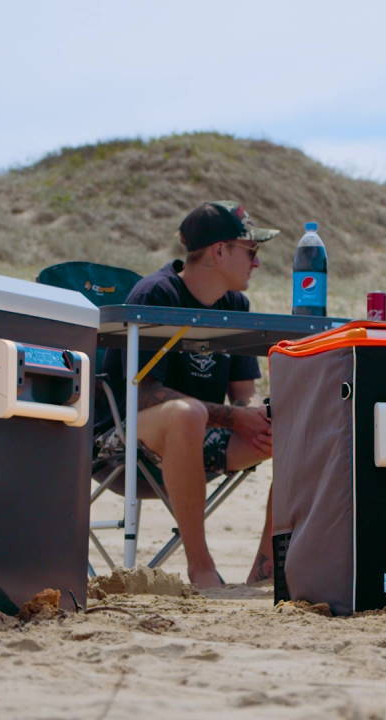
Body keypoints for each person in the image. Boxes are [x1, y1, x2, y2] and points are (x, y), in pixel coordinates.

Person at [108, 201, 277, 589]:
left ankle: (266, 572)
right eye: (251, 251)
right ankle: (200, 568)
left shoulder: (236, 304)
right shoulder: (157, 294)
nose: (257, 263)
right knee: (185, 414)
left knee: (289, 429)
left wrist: (255, 419)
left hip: (201, 437)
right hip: (125, 440)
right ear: (220, 251)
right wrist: (234, 418)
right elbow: (142, 394)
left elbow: (243, 396)